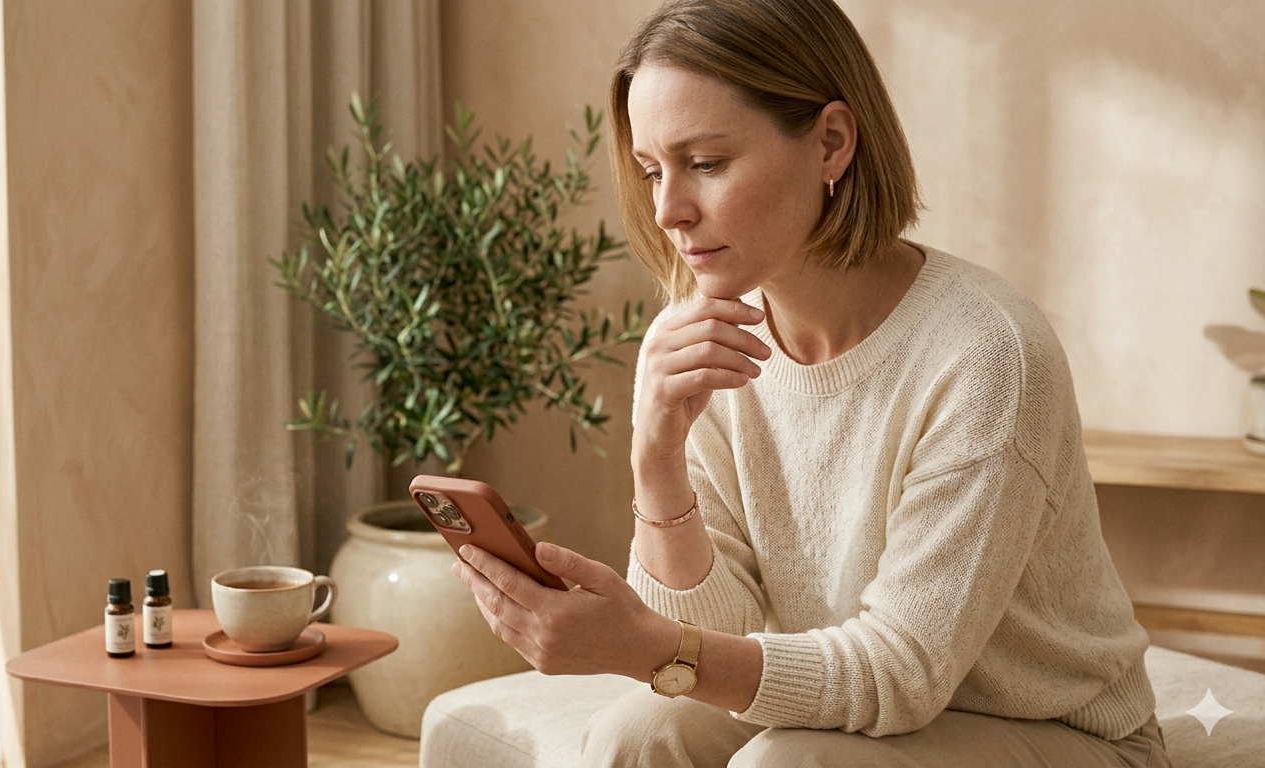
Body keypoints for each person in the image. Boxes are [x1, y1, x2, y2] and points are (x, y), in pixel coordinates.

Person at [449, 0, 1170, 765]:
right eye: (653, 169)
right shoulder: (706, 341)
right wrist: (655, 456)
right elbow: (711, 648)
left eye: (706, 163)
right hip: (867, 711)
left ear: (831, 143)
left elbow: (901, 674)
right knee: (636, 735)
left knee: (789, 763)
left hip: (1063, 734)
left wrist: (635, 644)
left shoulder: (986, 354)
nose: (667, 210)